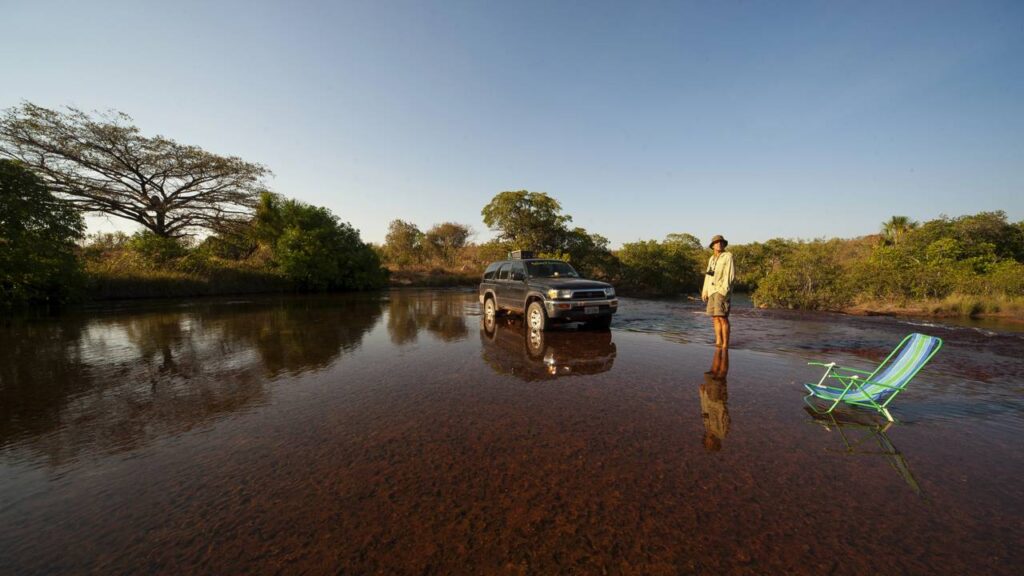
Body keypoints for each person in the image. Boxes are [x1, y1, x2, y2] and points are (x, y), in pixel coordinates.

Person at [701, 234, 735, 348]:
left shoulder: (728, 256)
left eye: (721, 242)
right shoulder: (711, 259)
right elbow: (708, 276)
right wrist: (704, 291)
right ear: (713, 246)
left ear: (724, 244)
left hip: (721, 291)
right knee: (715, 317)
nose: (719, 244)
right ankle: (718, 342)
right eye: (716, 242)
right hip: (711, 291)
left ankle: (725, 344)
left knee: (722, 317)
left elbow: (730, 275)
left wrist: (724, 291)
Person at [700, 347, 730, 452]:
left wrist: (702, 394)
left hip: (708, 398)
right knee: (721, 373)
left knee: (711, 372)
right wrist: (721, 403)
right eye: (710, 445)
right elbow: (726, 418)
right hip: (718, 400)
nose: (709, 442)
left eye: (707, 443)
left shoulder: (707, 427)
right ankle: (725, 350)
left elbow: (704, 410)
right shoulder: (721, 433)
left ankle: (719, 349)